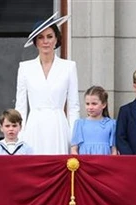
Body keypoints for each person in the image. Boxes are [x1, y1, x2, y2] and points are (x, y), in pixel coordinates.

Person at [15, 12, 80, 155]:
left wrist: (74, 139)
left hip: (58, 125)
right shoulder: (25, 67)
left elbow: (74, 106)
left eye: (50, 36)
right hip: (34, 125)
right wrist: (20, 136)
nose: (45, 41)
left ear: (56, 39)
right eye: (41, 37)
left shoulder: (69, 67)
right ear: (35, 42)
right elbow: (20, 106)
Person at [71, 86, 117, 155]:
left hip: (104, 163)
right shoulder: (79, 124)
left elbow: (114, 150)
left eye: (94, 104)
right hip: (85, 164)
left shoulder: (111, 124)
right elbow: (74, 149)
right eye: (87, 104)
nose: (90, 107)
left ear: (104, 104)